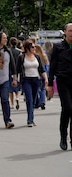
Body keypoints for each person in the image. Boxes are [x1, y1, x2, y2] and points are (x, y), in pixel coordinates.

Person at [46, 22, 72, 150]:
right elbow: (52, 67)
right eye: (70, 31)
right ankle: (63, 135)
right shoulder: (58, 47)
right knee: (67, 108)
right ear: (65, 32)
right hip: (63, 81)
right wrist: (50, 84)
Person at [17, 40, 47, 127]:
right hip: (26, 80)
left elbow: (42, 69)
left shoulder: (37, 57)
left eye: (35, 47)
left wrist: (46, 78)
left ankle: (31, 118)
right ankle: (29, 120)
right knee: (29, 100)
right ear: (27, 48)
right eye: (32, 47)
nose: (34, 48)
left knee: (33, 101)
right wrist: (15, 79)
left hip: (36, 80)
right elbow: (17, 69)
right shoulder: (22, 57)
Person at [33, 42, 49, 110]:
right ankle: (43, 101)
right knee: (43, 89)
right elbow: (47, 65)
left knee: (37, 89)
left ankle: (38, 102)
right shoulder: (44, 56)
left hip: (38, 74)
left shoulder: (35, 56)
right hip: (44, 73)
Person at [8, 37, 22, 111]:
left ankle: (12, 103)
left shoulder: (8, 51)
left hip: (9, 70)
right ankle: (18, 97)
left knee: (10, 88)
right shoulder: (20, 52)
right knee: (18, 87)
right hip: (18, 70)